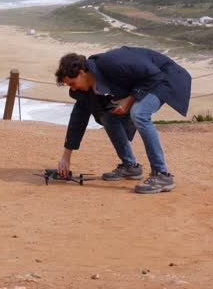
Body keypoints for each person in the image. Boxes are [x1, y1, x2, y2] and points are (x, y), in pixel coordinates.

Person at [53, 47, 192, 194]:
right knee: (107, 115)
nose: (73, 89)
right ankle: (130, 167)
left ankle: (162, 174)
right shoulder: (87, 88)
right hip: (147, 82)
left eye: (72, 84)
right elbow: (78, 119)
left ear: (81, 73)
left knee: (139, 113)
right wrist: (66, 157)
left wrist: (129, 100)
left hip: (165, 78)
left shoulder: (111, 62)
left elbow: (154, 75)